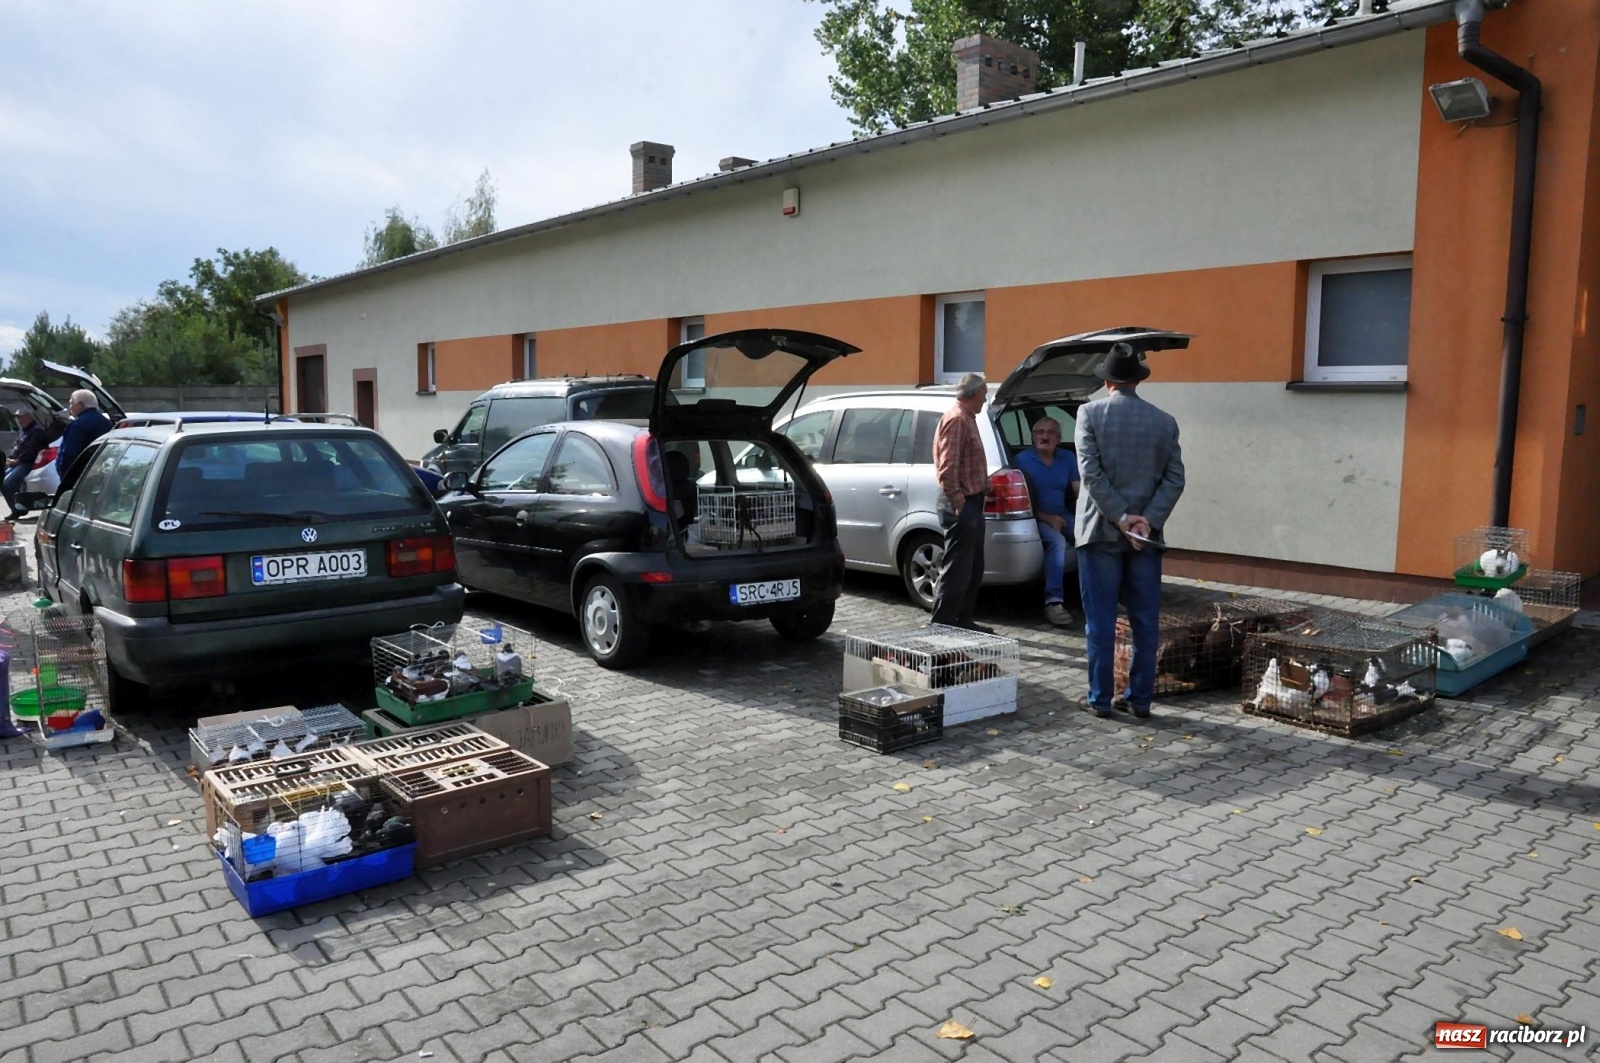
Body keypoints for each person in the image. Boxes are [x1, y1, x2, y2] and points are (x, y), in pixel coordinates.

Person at [1074, 343, 1185, 719]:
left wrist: (1122, 519)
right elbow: (1175, 479)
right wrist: (1145, 521)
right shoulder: (1164, 421)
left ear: (1106, 380)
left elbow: (1090, 474)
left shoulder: (1089, 413)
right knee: (1145, 623)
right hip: (1146, 540)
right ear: (1138, 380)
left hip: (1100, 533)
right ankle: (1140, 700)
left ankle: (1100, 700)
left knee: (1100, 622)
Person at [932, 372, 993, 634]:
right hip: (961, 503)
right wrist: (960, 503)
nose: (986, 398)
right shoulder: (957, 419)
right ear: (977, 394)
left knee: (972, 566)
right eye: (985, 393)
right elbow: (947, 469)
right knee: (957, 569)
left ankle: (962, 620)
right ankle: (941, 625)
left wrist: (984, 485)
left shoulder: (967, 417)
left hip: (971, 500)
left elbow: (967, 462)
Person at [1013, 416, 1080, 627]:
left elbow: (1080, 492)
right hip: (1033, 518)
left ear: (1059, 439)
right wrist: (1047, 518)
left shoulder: (1068, 457)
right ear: (1033, 438)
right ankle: (1054, 602)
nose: (1045, 436)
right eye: (1040, 432)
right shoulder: (1021, 461)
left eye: (1051, 433)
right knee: (1057, 542)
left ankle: (1104, 596)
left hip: (1062, 514)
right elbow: (1020, 501)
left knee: (1093, 538)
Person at [3, 408, 50, 522]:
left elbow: (31, 452)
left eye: (21, 417)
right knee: (2, 479)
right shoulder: (24, 431)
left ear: (29, 417)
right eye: (17, 418)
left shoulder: (37, 431)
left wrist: (18, 461)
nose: (19, 420)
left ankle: (20, 507)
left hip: (28, 464)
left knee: (9, 482)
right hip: (18, 463)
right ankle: (15, 509)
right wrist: (11, 459)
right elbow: (16, 447)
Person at [55, 390, 113, 475]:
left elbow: (69, 454)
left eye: (71, 403)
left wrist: (65, 478)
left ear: (80, 405)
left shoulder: (77, 425)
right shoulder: (107, 423)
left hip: (79, 476)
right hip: (100, 473)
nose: (69, 407)